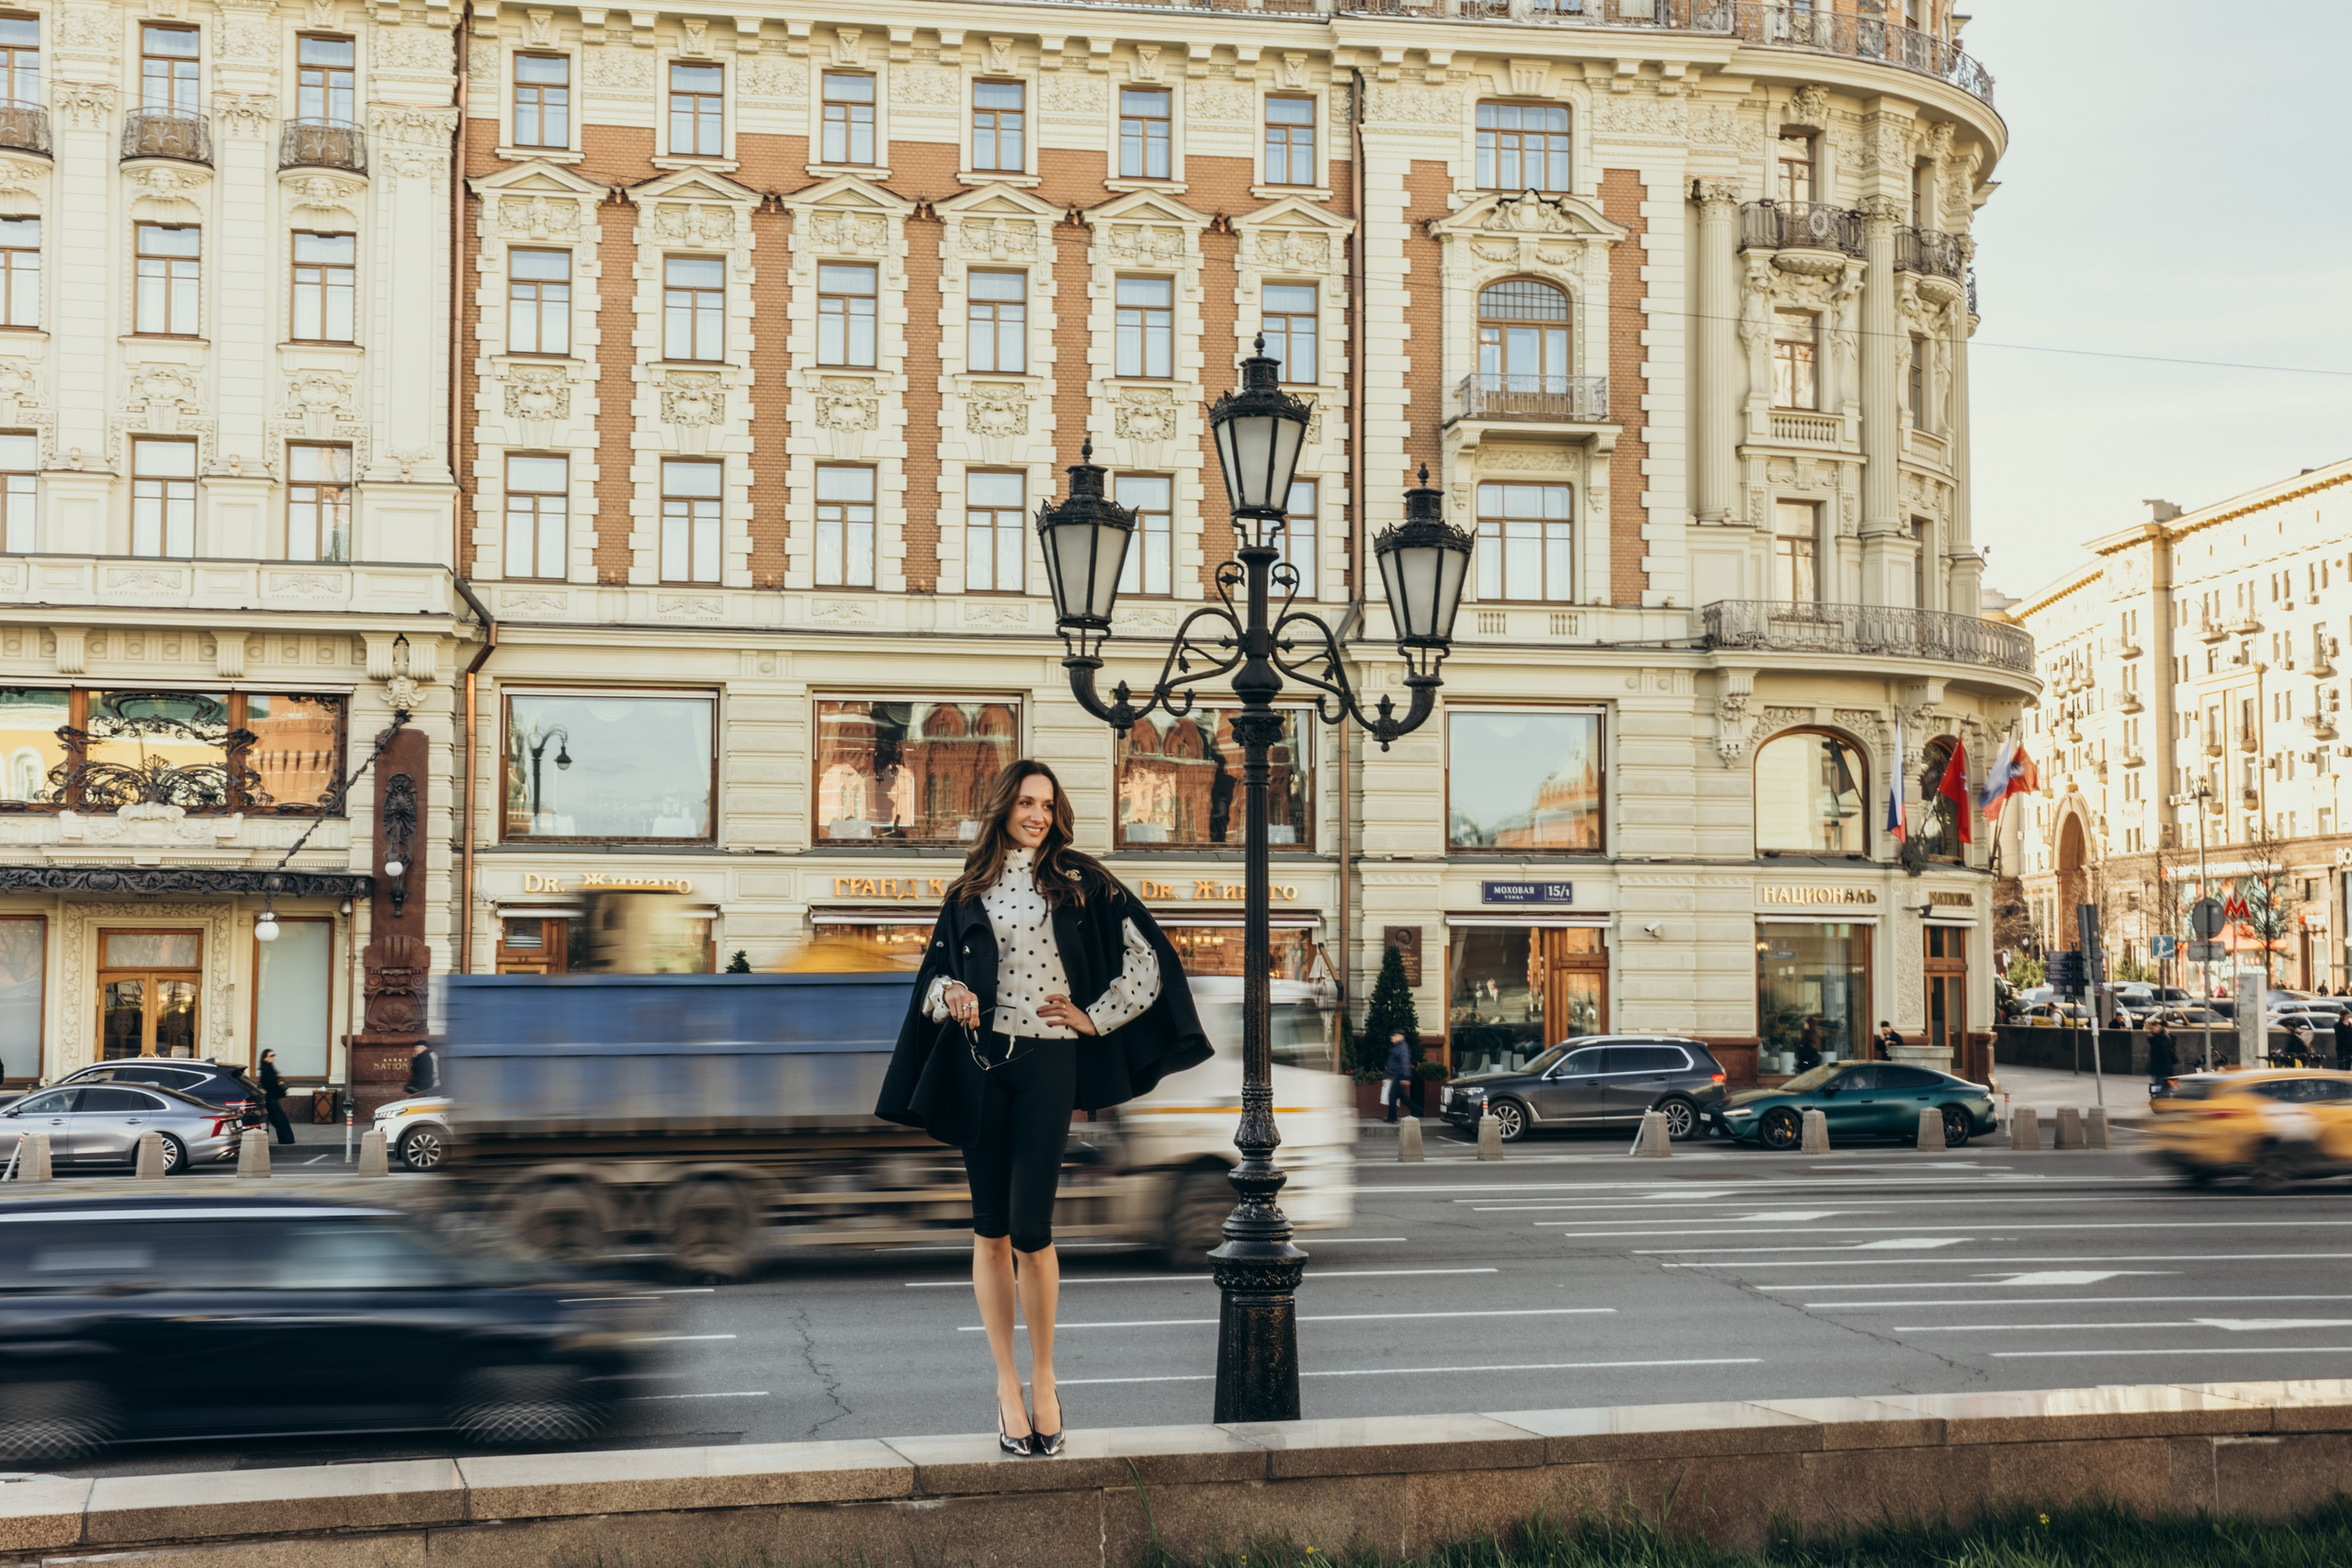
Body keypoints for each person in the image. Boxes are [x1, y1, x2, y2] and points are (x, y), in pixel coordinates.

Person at [876, 760, 1208, 1459]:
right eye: (1027, 802)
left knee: (1032, 1229)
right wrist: (952, 994)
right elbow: (932, 981)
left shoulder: (1081, 880)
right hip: (980, 1064)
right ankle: (1006, 1386)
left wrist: (1096, 1016)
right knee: (990, 1229)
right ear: (1004, 806)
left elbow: (1149, 960)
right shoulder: (967, 890)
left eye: (1048, 805)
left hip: (1049, 1064)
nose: (1037, 815)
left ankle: (1046, 1378)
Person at [256, 1048, 295, 1146]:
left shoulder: (268, 1068)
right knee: (279, 1119)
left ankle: (285, 1138)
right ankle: (286, 1138)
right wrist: (280, 1090)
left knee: (278, 1119)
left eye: (273, 1055)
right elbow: (271, 1085)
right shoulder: (266, 1070)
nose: (273, 1058)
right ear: (265, 1058)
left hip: (271, 1098)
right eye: (271, 1056)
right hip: (270, 1099)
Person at [1384, 1030, 1418, 1122]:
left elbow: (1405, 1063)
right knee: (1400, 1096)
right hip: (1397, 1075)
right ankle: (1417, 1110)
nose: (1391, 1038)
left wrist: (1405, 1077)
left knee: (1393, 1096)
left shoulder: (1402, 1048)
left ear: (1399, 1036)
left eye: (1393, 1036)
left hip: (1398, 1075)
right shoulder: (1398, 1047)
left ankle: (1392, 1117)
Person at [2144, 1016, 2177, 1093]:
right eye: (2152, 1028)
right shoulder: (2156, 1036)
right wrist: (2150, 1038)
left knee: (2159, 1083)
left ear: (2159, 1027)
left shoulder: (2163, 1037)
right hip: (2158, 1066)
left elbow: (2164, 1052)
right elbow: (2153, 1045)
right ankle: (2162, 1094)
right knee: (2159, 1082)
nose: (2153, 1029)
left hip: (2161, 1066)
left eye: (2154, 1028)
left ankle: (2162, 1095)